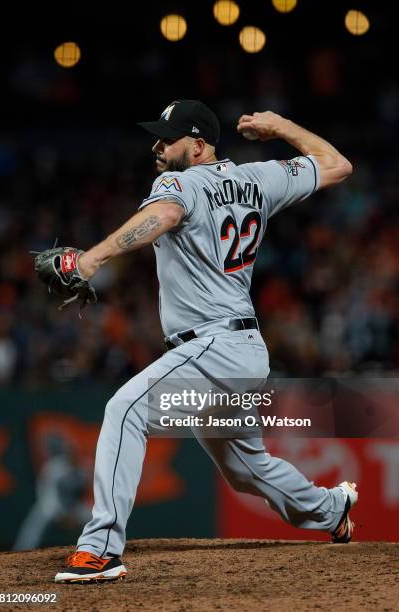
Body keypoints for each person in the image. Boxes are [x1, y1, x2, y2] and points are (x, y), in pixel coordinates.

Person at [54, 100, 356, 584]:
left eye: (166, 138)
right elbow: (337, 165)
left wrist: (91, 260)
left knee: (125, 410)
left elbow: (167, 212)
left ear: (197, 146)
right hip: (242, 349)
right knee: (244, 467)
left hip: (215, 346)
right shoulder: (259, 178)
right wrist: (281, 126)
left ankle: (100, 549)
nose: (156, 146)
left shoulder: (179, 182)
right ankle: (331, 509)